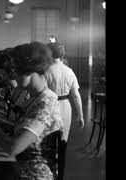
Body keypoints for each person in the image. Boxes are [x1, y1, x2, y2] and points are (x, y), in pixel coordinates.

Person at [0, 42, 64, 180]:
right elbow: (19, 127)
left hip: (33, 176)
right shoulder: (35, 99)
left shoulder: (46, 104)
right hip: (21, 171)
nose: (13, 76)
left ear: (30, 71)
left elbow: (14, 148)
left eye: (17, 72)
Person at [45, 42, 85, 180]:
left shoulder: (45, 71)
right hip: (65, 107)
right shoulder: (69, 71)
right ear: (62, 54)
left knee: (48, 145)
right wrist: (81, 115)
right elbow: (76, 96)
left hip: (49, 106)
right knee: (62, 144)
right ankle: (60, 176)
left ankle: (48, 175)